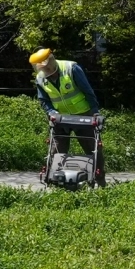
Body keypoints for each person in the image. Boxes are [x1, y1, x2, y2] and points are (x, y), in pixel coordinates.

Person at [31, 47, 104, 182]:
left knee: (92, 148)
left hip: (83, 115)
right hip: (60, 118)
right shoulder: (40, 78)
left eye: (47, 68)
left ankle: (100, 180)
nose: (46, 71)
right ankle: (54, 181)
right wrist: (51, 112)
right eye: (42, 69)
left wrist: (95, 112)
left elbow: (88, 91)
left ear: (51, 62)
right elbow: (44, 100)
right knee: (56, 150)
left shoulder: (71, 69)